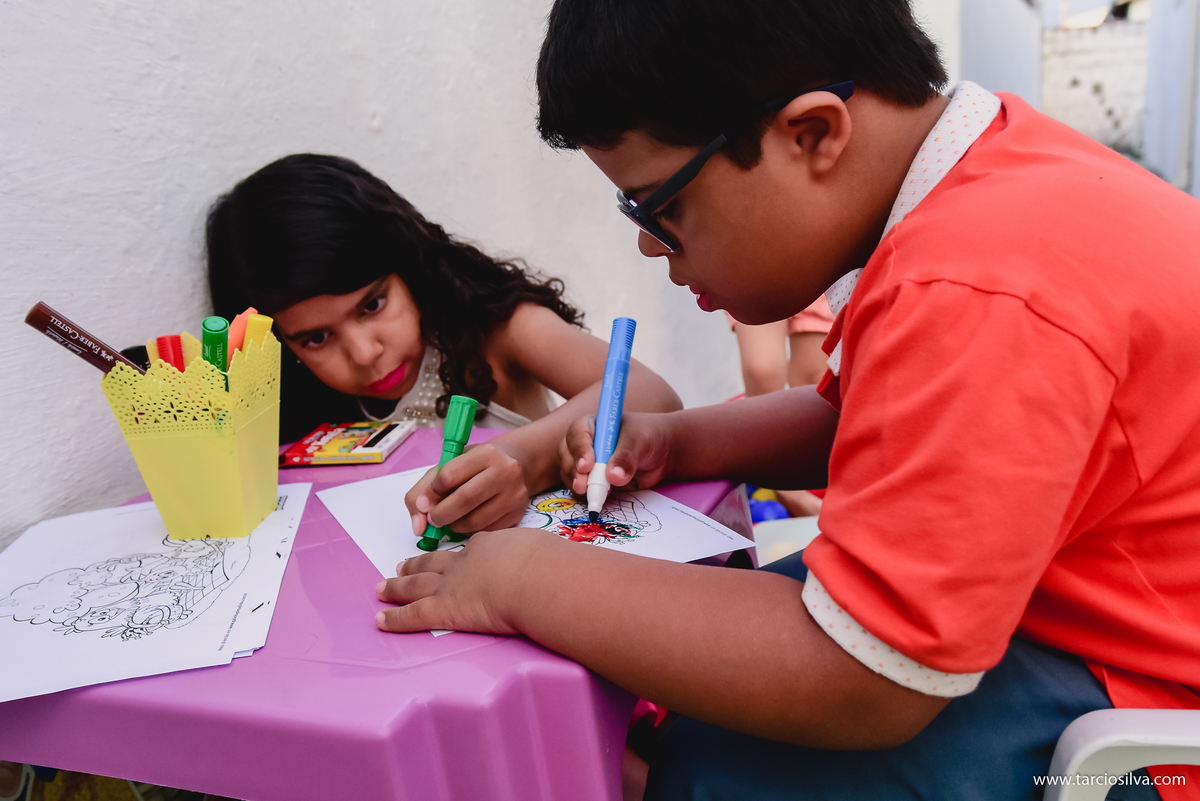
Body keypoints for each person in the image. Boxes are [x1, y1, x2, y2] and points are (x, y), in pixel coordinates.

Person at [374, 2, 1200, 800]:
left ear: (812, 134)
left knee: (717, 770)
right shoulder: (988, 182)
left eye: (661, 206)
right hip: (1075, 601)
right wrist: (678, 440)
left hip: (1142, 701)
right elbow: (856, 419)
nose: (648, 242)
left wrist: (522, 579)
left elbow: (864, 677)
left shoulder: (975, 284)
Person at [207, 153, 681, 535]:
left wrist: (524, 458)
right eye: (315, 338)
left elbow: (651, 393)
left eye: (372, 305)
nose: (364, 353)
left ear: (409, 263)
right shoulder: (300, 403)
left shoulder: (495, 330)